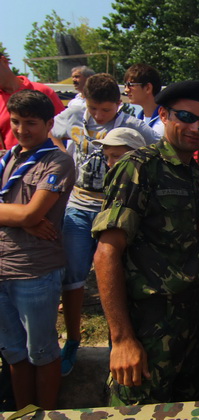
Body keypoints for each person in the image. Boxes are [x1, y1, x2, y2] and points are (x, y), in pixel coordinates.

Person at [92, 80, 199, 405]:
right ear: (163, 115)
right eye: (186, 117)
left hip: (189, 322)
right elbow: (106, 253)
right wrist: (122, 339)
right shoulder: (139, 167)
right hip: (147, 325)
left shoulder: (191, 172)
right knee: (137, 411)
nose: (195, 127)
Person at [50, 73, 158, 377]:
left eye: (106, 110)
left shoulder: (133, 125)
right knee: (73, 276)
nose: (98, 115)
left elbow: (158, 148)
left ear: (118, 105)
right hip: (78, 207)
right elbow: (52, 130)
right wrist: (63, 156)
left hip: (113, 210)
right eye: (93, 108)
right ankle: (73, 340)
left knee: (113, 274)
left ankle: (116, 341)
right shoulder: (74, 114)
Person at [0, 90, 75, 409]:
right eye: (16, 122)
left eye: (30, 123)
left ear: (48, 124)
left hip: (34, 270)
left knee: (42, 351)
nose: (21, 130)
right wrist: (22, 219)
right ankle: (24, 411)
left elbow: (33, 213)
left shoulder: (57, 161)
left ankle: (46, 412)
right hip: (2, 268)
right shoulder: (7, 158)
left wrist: (26, 219)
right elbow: (27, 216)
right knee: (13, 351)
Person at [0, 52, 64, 150]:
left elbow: (63, 128)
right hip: (10, 157)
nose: (21, 131)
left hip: (46, 156)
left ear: (4, 61)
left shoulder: (43, 91)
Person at [123, 63, 164, 137]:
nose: (126, 90)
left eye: (130, 85)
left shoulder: (167, 122)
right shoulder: (137, 121)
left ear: (148, 88)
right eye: (125, 85)